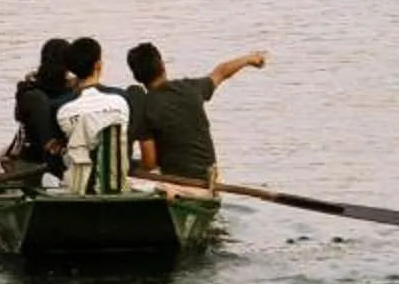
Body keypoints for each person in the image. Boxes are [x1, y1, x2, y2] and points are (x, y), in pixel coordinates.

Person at [125, 44, 267, 183]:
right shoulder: (191, 88)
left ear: (137, 77)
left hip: (176, 183)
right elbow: (221, 72)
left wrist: (131, 168)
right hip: (210, 179)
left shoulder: (145, 106)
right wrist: (249, 59)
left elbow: (149, 163)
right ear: (162, 65)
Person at [53, 36, 131, 194]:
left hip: (77, 187)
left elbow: (58, 150)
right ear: (98, 65)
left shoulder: (61, 108)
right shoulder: (121, 100)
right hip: (117, 184)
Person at [5, 37, 74, 178]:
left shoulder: (28, 89)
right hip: (36, 162)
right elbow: (46, 141)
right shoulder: (35, 96)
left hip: (34, 156)